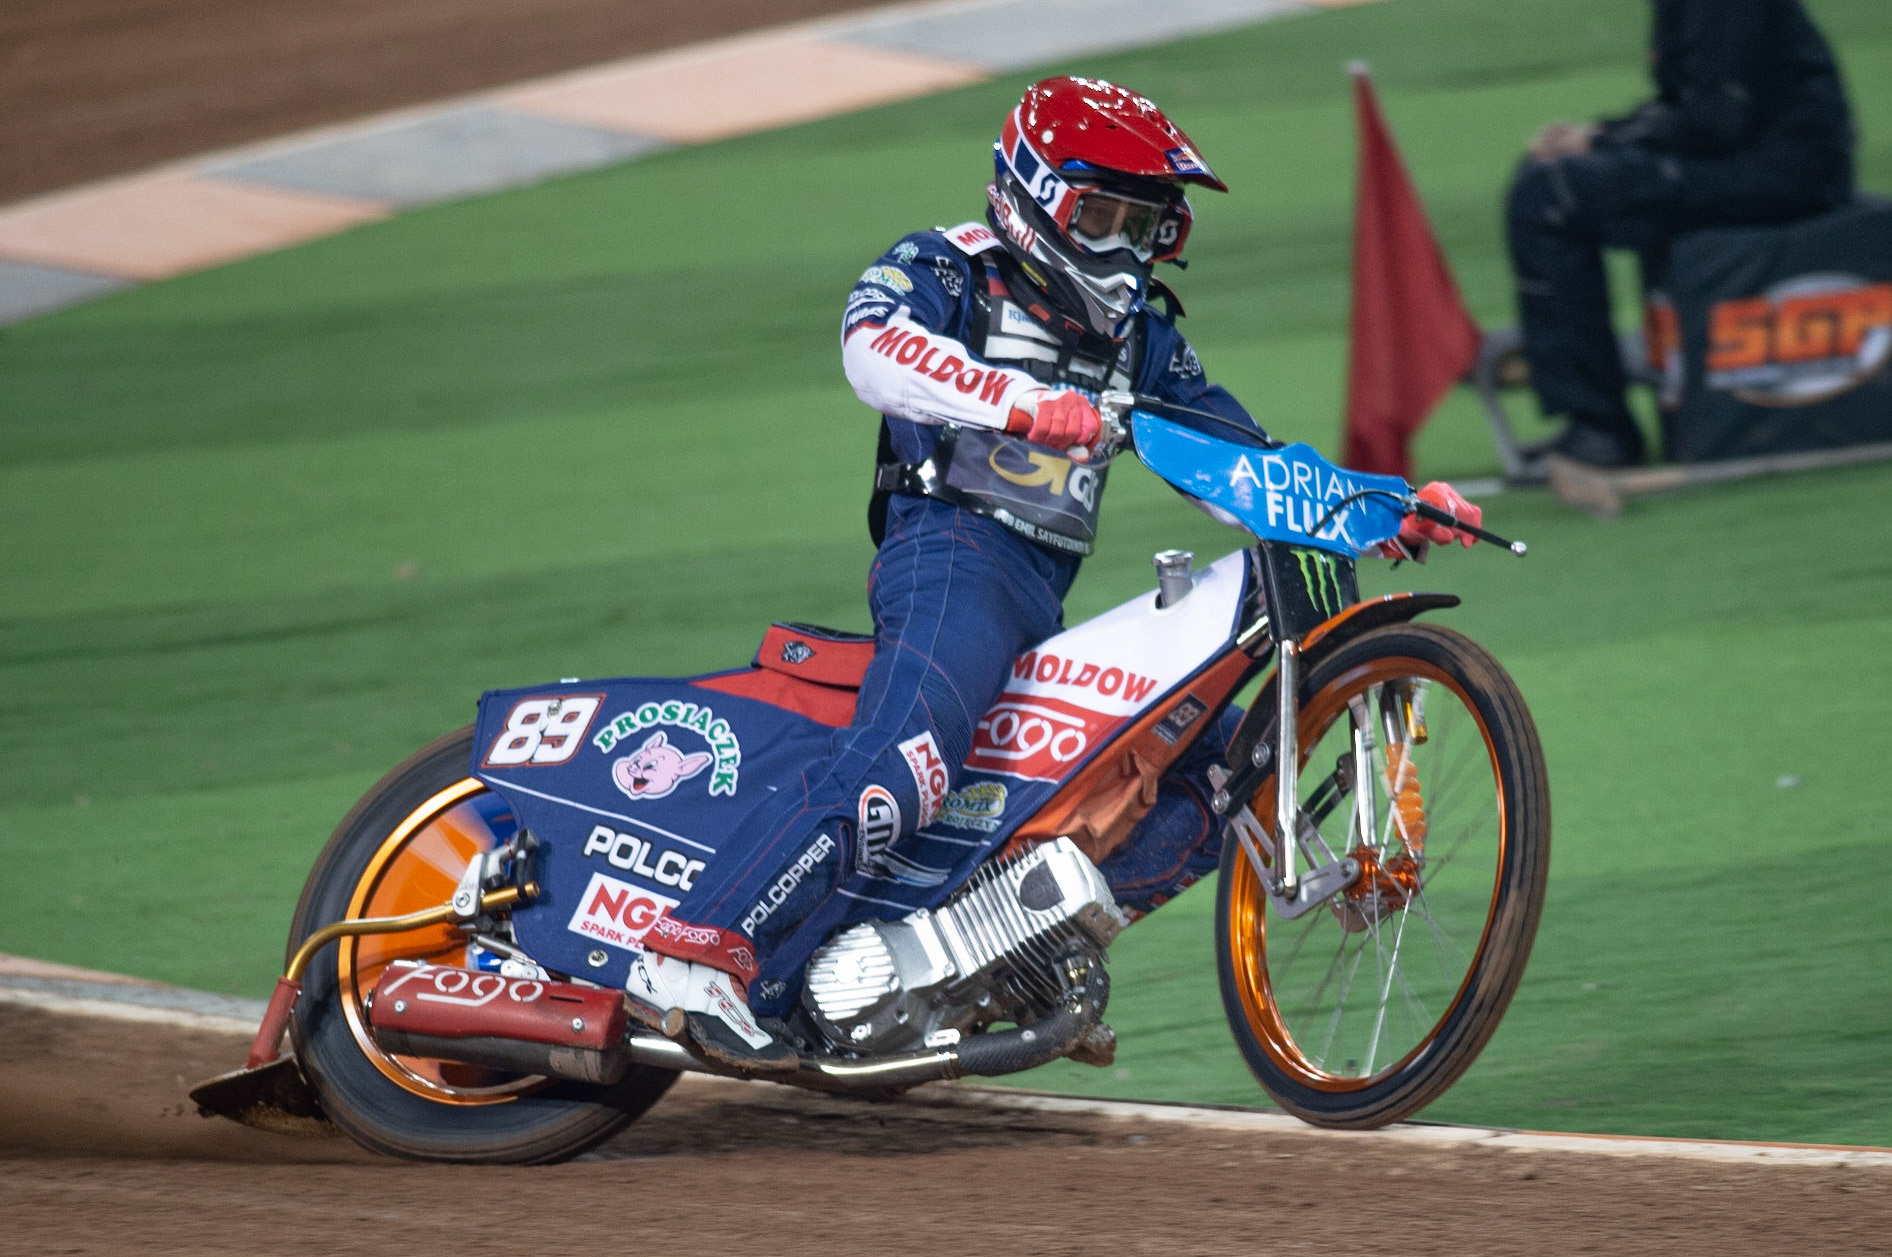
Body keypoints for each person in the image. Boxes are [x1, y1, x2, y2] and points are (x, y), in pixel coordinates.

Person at [626, 76, 1481, 1071]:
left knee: (1200, 781)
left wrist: (1384, 507)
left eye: (1144, 225)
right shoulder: (944, 266)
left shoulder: (1143, 339)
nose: (1121, 249)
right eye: (1100, 216)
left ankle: (993, 969)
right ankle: (694, 954)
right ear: (1029, 196)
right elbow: (871, 350)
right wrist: (1016, 404)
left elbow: (1241, 465)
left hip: (1040, 595)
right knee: (911, 756)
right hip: (949, 554)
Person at [1508, 0, 1855, 469]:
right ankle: (1595, 422)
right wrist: (1601, 133)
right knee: (1550, 179)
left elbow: (1714, 119)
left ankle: (1600, 429)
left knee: (1551, 196)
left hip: (1782, 172)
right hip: (1756, 156)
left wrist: (1602, 140)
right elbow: (1694, 107)